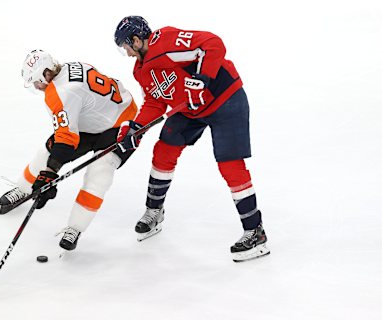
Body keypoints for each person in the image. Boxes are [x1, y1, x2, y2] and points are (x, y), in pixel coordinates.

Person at [114, 16, 270, 262]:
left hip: (224, 99)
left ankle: (255, 232)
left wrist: (203, 78)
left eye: (126, 46)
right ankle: (154, 212)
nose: (127, 53)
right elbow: (156, 101)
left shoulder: (165, 41)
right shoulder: (140, 70)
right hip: (190, 109)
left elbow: (213, 43)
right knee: (163, 151)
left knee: (230, 166)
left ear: (136, 39)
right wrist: (136, 128)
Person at [0, 49, 138, 251]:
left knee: (99, 174)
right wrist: (49, 171)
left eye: (37, 81)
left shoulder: (60, 93)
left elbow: (65, 139)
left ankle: (75, 227)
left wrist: (49, 173)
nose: (37, 87)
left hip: (122, 124)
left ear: (46, 74)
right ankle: (23, 189)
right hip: (96, 119)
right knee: (46, 153)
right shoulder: (70, 67)